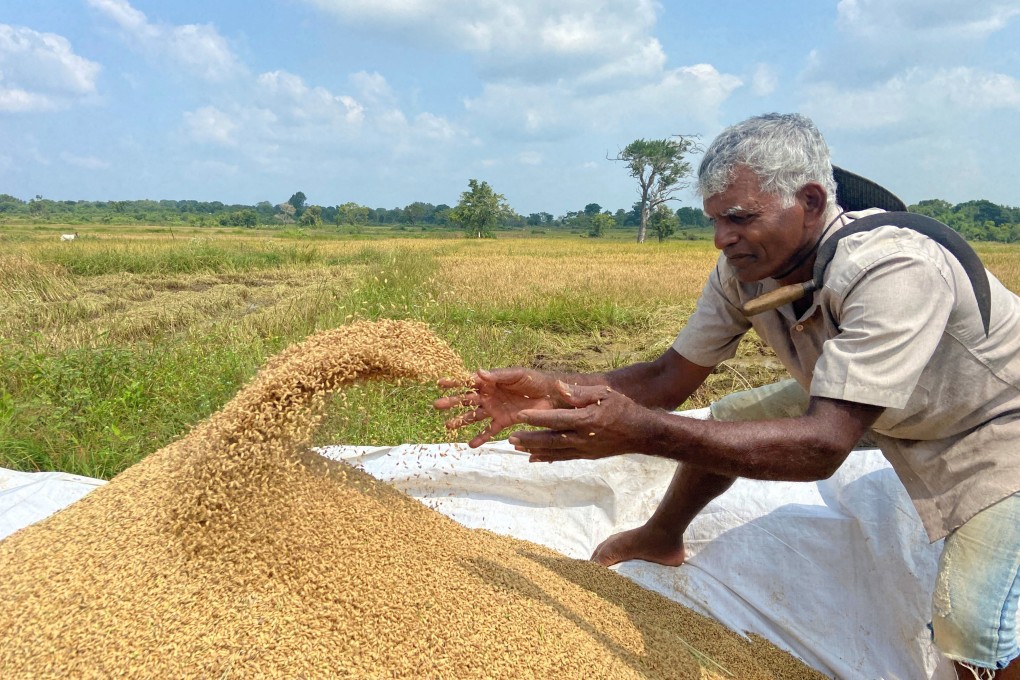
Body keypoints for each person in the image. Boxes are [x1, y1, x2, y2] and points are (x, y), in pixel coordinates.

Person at [434, 113, 1020, 679]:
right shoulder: (746, 270)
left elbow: (823, 446)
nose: (722, 238)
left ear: (811, 201)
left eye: (739, 217)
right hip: (882, 400)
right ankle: (662, 536)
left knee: (973, 629)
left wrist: (642, 432)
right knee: (733, 417)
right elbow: (668, 377)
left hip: (992, 422)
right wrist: (559, 389)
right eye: (715, 218)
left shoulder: (893, 268)